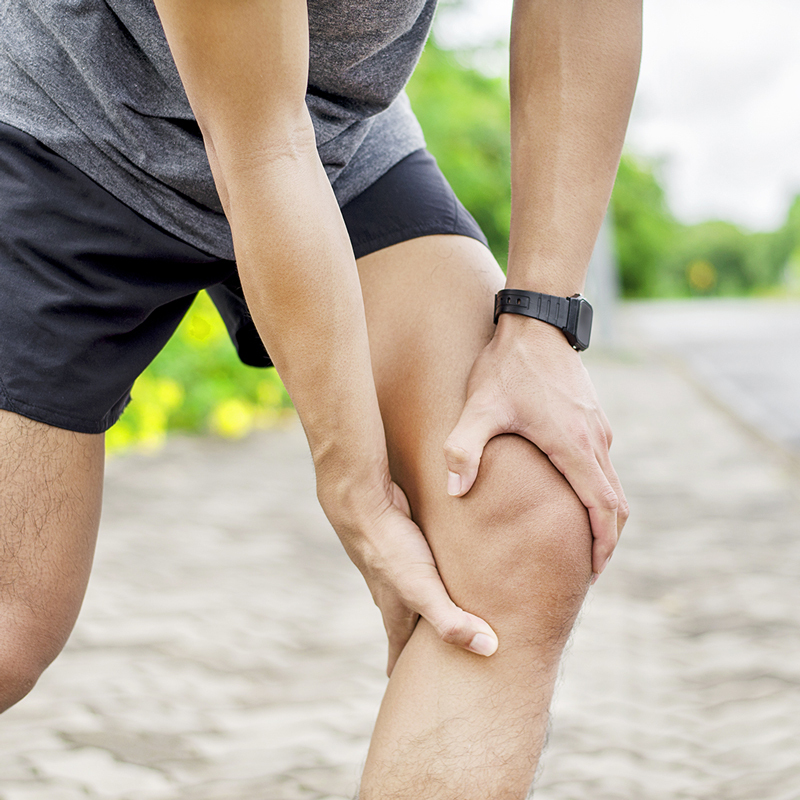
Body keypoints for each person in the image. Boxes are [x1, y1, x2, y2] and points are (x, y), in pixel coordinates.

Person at [0, 0, 639, 796]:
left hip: (339, 138)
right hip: (59, 127)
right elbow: (261, 149)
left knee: (518, 511)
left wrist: (539, 326)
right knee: (8, 636)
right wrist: (361, 495)